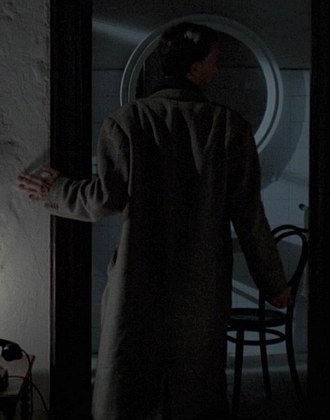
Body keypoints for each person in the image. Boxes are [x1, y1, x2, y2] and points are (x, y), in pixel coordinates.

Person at [18, 22, 292, 420]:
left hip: (138, 281)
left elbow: (103, 199)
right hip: (201, 289)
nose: (216, 69)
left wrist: (55, 191)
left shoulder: (126, 122)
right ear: (195, 68)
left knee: (131, 387)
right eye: (213, 61)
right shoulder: (229, 127)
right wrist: (274, 283)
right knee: (193, 391)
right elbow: (249, 217)